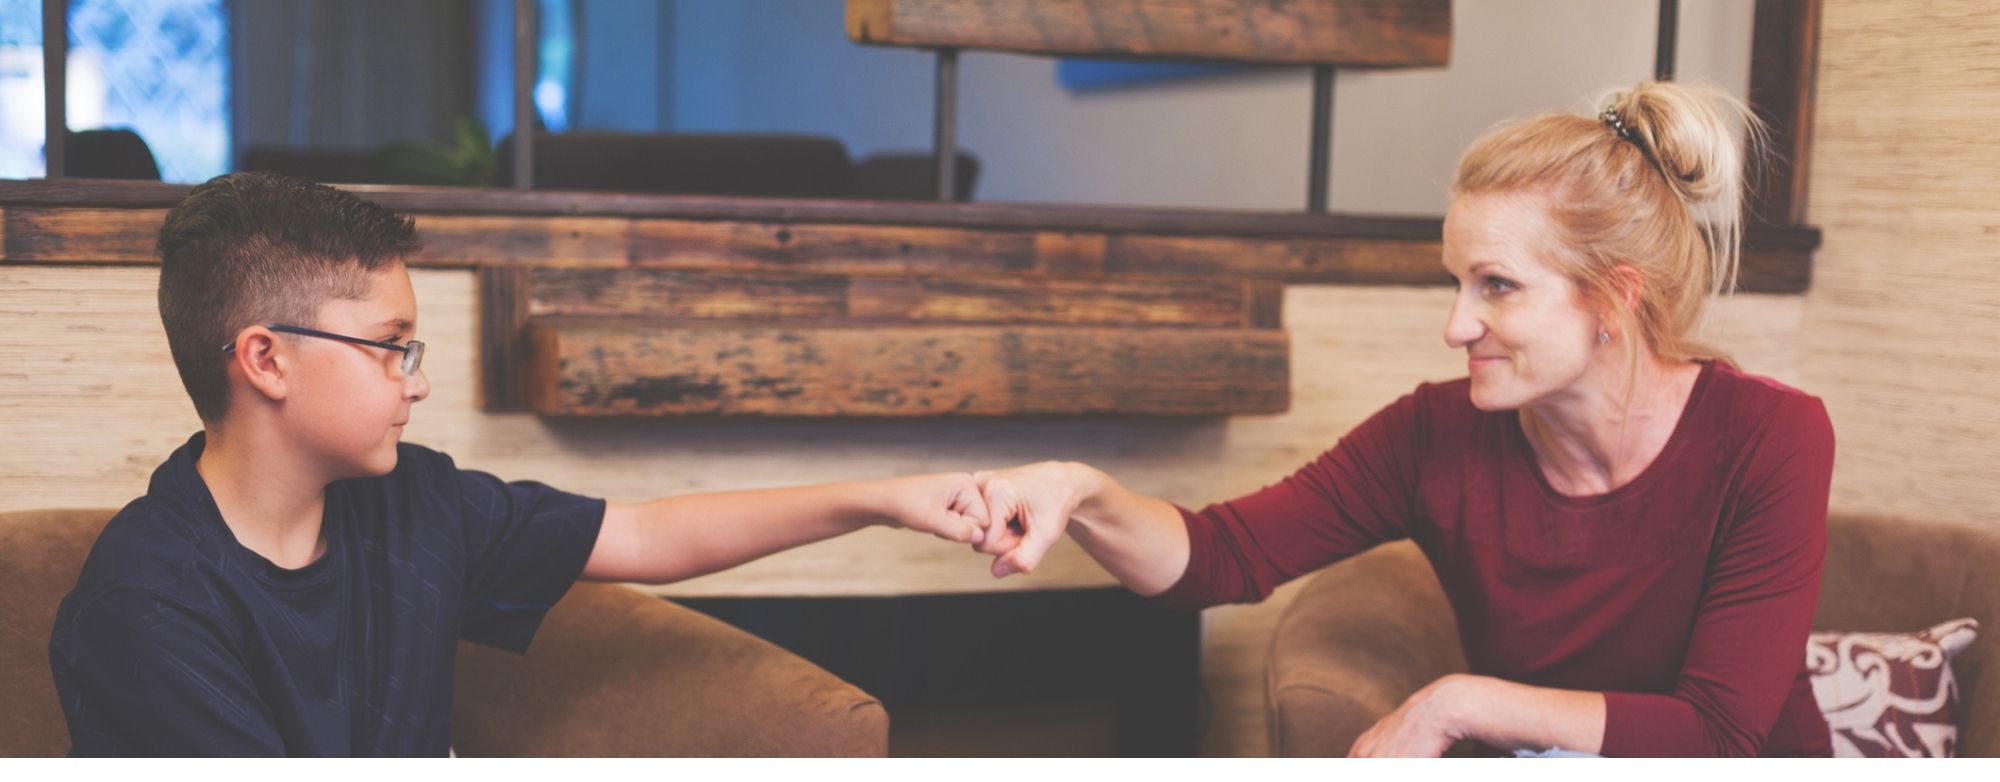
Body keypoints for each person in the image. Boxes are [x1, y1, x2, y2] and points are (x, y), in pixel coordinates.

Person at [968, 81, 1835, 758]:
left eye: (1496, 285)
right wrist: (1079, 491)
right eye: (1455, 283)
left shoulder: (1772, 437)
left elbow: (1717, 738)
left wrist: (1459, 700)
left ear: (1613, 297)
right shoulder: (1433, 434)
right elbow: (1220, 557)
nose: (1456, 325)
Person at [47, 172, 993, 756]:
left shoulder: (412, 504)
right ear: (266, 359)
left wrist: (884, 499)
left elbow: (645, 533)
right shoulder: (147, 606)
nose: (414, 382)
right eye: (390, 346)